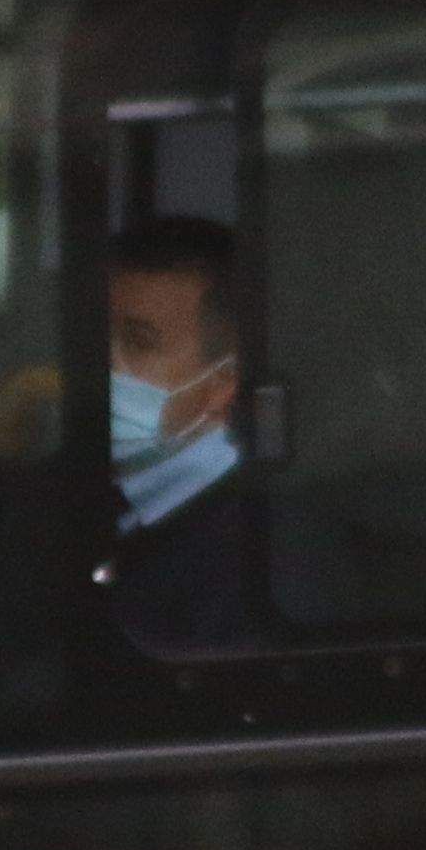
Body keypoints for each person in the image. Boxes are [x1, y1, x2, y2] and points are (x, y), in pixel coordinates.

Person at [95, 214, 258, 653]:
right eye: (92, 332)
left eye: (138, 342)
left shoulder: (257, 554)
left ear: (224, 383)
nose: (100, 361)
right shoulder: (66, 485)